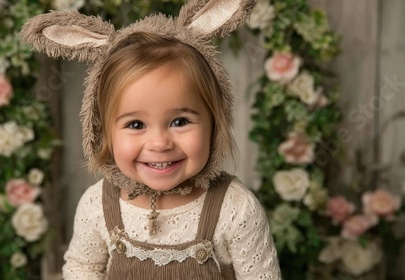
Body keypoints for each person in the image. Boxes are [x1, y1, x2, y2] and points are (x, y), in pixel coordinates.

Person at [21, 0, 281, 279]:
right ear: (102, 132)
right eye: (136, 124)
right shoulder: (98, 205)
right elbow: (82, 267)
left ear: (214, 125)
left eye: (180, 121)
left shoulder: (235, 209)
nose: (159, 143)